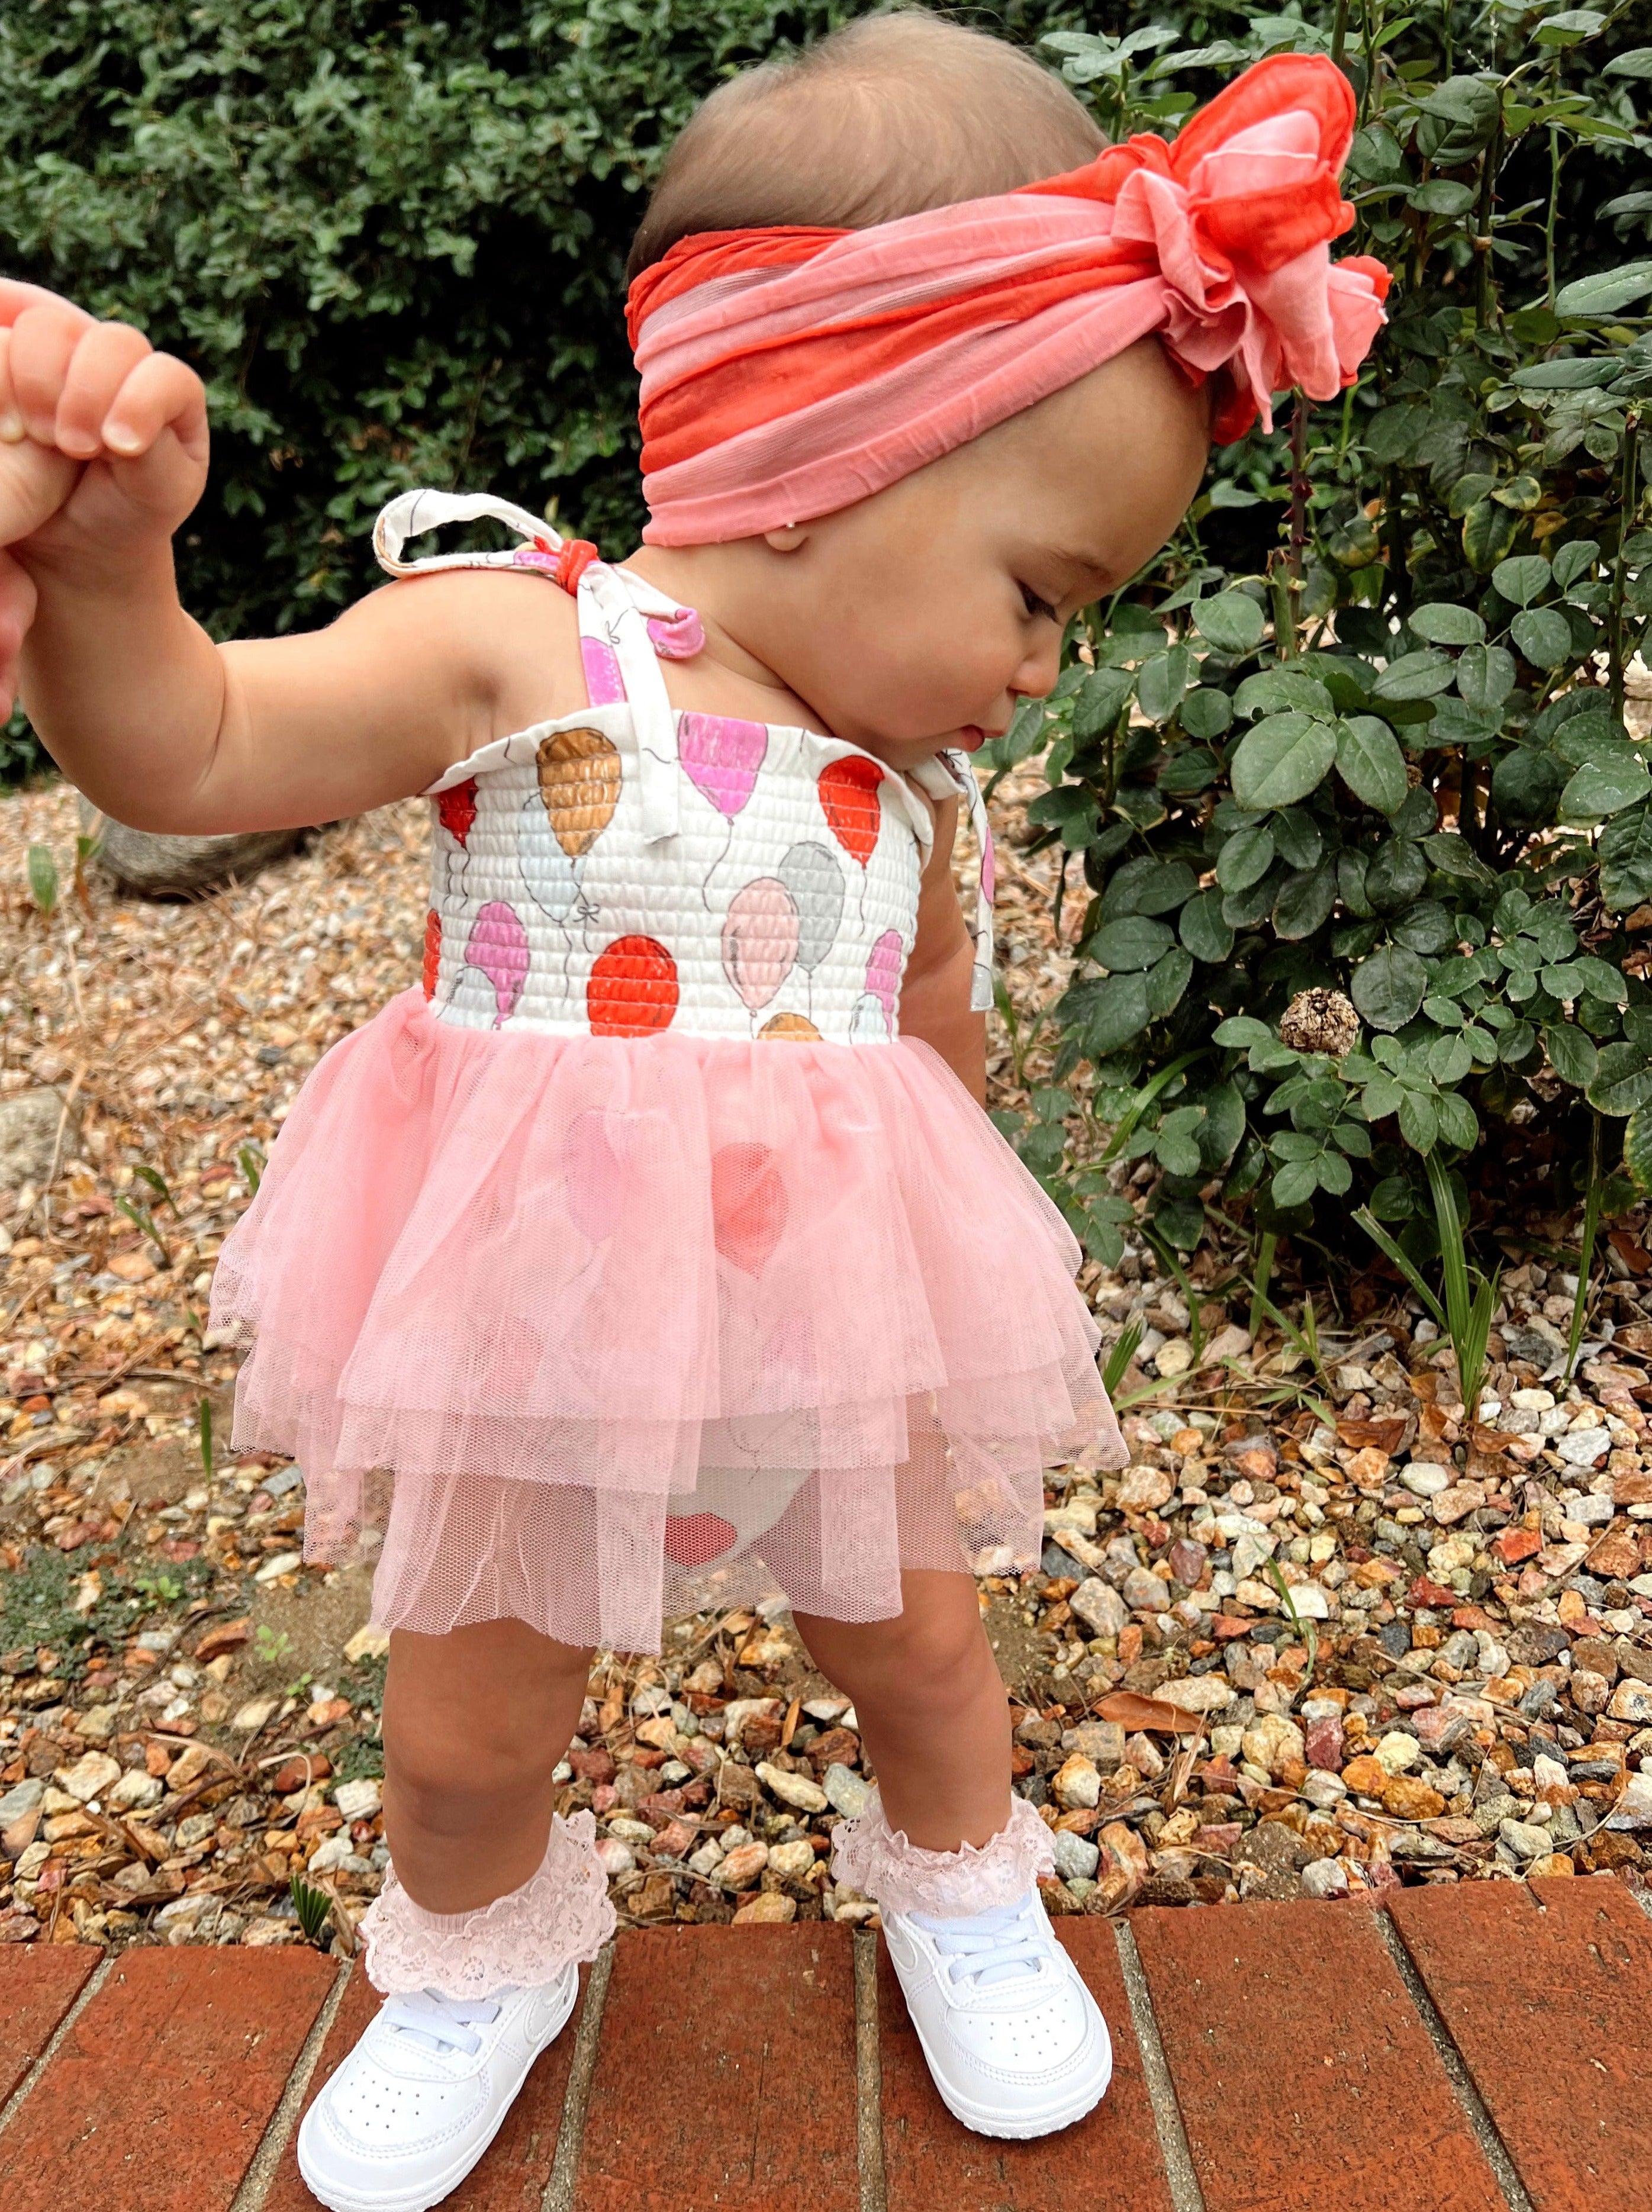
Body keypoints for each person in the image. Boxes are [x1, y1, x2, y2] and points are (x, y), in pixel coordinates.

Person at [0, 15, 1386, 2206]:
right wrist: (109, 577)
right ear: (832, 450)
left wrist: (947, 1293)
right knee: (466, 1719)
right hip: (529, 1331)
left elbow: (931, 1051)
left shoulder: (908, 794)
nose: (1046, 670)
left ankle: (962, 1878)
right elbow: (195, 750)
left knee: (922, 1643)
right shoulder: (519, 644)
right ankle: (473, 1952)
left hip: (821, 1326)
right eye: (1041, 595)